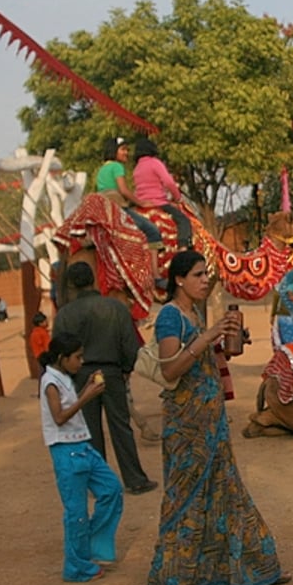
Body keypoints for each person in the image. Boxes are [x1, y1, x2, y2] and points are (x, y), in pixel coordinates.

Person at [147, 250, 290, 585]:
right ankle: (171, 584)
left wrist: (229, 343)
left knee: (228, 494)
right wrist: (209, 335)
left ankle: (253, 569)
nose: (204, 280)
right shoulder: (170, 317)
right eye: (197, 275)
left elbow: (204, 359)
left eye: (206, 274)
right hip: (188, 429)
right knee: (185, 502)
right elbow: (169, 370)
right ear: (178, 279)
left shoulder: (193, 313)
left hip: (209, 424)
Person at [52, 261, 157, 495]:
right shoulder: (116, 308)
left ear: (71, 286)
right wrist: (125, 369)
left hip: (79, 376)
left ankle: (99, 484)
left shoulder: (65, 315)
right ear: (94, 279)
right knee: (121, 427)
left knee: (90, 430)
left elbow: (58, 352)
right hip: (111, 372)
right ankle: (135, 479)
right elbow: (130, 344)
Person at [39, 331, 124, 583]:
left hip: (82, 446)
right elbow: (59, 417)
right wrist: (87, 397)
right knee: (76, 512)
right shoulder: (50, 382)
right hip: (65, 451)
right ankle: (76, 566)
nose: (81, 361)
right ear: (62, 357)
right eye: (77, 357)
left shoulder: (64, 377)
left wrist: (86, 388)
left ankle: (92, 546)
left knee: (112, 489)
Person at [95, 136, 164, 286]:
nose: (127, 153)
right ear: (114, 151)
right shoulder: (118, 167)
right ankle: (156, 275)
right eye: (123, 149)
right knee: (152, 230)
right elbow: (124, 191)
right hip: (117, 206)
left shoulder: (101, 170)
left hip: (103, 207)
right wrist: (141, 203)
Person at [131, 136, 194, 251]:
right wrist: (178, 197)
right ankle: (183, 248)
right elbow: (169, 182)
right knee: (184, 220)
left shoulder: (136, 169)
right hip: (158, 203)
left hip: (141, 205)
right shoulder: (155, 163)